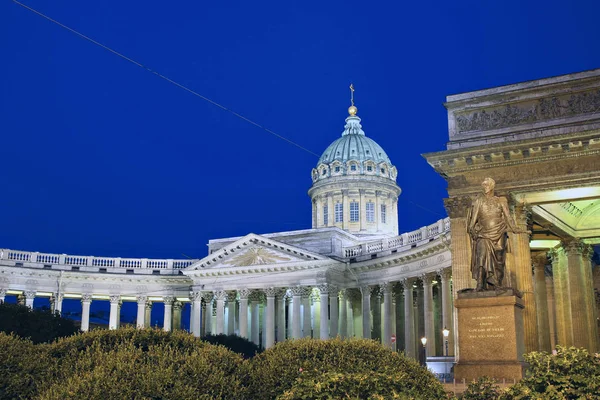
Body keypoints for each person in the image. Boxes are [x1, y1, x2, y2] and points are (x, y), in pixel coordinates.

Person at [467, 177, 521, 291]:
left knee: (499, 260)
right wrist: (473, 230)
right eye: (484, 185)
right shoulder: (479, 201)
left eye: (487, 185)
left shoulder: (501, 200)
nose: (485, 188)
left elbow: (508, 217)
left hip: (499, 232)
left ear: (492, 186)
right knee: (481, 258)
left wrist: (515, 228)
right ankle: (480, 284)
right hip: (483, 234)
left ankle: (497, 283)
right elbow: (472, 221)